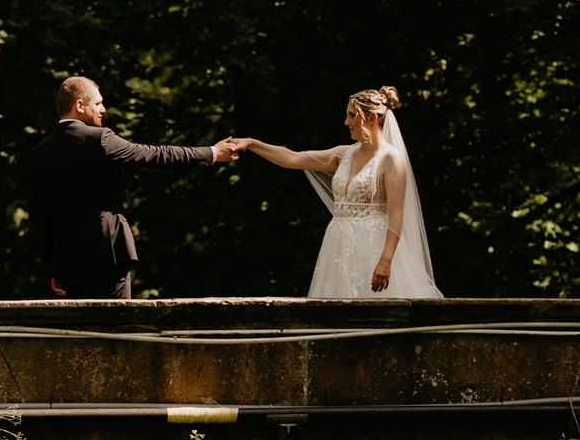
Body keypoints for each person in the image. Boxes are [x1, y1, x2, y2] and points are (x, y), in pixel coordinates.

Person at [22, 76, 244, 298]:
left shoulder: (39, 153)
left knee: (82, 331)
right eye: (98, 103)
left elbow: (42, 217)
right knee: (118, 328)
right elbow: (155, 155)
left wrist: (54, 268)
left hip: (68, 263)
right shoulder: (100, 138)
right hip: (108, 257)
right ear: (80, 106)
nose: (104, 109)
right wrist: (212, 153)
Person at [235, 85, 442, 298]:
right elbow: (293, 158)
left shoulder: (391, 158)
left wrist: (385, 260)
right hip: (339, 244)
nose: (346, 122)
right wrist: (251, 144)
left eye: (352, 115)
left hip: (374, 246)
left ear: (371, 118)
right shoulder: (343, 154)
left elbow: (396, 216)